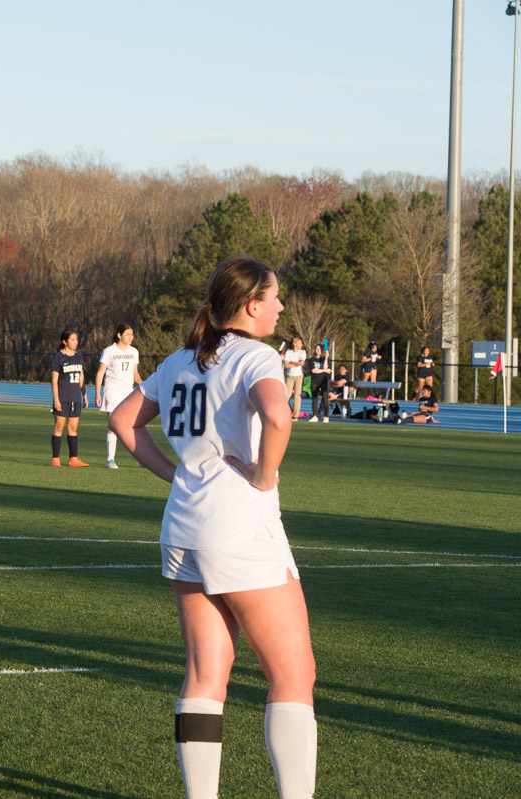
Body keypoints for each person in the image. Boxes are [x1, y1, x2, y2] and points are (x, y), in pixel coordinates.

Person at [110, 256, 317, 799]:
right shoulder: (257, 355)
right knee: (293, 678)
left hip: (183, 528)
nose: (278, 307)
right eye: (273, 298)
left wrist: (174, 474)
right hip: (240, 532)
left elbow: (121, 421)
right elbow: (278, 416)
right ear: (251, 306)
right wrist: (265, 477)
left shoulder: (179, 359)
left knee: (206, 677)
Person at [94, 323, 142, 468]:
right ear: (119, 335)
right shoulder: (109, 351)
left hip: (128, 392)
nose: (131, 337)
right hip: (112, 391)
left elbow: (135, 374)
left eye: (132, 334)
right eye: (127, 334)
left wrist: (143, 385)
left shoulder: (134, 352)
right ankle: (110, 459)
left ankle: (142, 458)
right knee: (113, 425)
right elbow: (100, 372)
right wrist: (97, 393)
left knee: (133, 425)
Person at [50, 328, 89, 467]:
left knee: (73, 428)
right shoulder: (58, 357)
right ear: (64, 341)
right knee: (59, 427)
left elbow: (81, 376)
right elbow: (54, 380)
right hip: (62, 398)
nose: (75, 342)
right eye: (72, 339)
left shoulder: (78, 355)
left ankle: (73, 459)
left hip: (75, 398)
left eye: (76, 339)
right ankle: (55, 459)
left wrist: (84, 394)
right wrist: (56, 400)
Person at [282, 337, 306, 421]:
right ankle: (284, 413)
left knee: (297, 395)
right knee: (287, 395)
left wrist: (292, 362)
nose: (301, 345)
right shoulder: (288, 352)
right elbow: (287, 365)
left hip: (299, 375)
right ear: (295, 343)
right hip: (290, 375)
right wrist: (296, 363)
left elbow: (302, 363)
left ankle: (295, 416)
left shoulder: (302, 352)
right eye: (299, 343)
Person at [307, 344, 330, 423]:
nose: (318, 350)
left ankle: (326, 416)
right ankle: (315, 416)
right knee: (315, 399)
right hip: (315, 381)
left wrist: (326, 358)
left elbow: (325, 367)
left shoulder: (324, 359)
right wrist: (324, 371)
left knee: (325, 399)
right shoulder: (311, 360)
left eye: (320, 349)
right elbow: (314, 370)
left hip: (323, 381)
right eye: (317, 348)